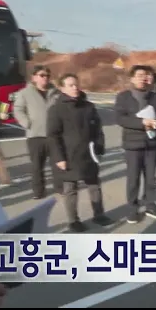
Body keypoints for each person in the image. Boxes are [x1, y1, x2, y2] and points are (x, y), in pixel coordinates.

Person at [47, 73, 113, 233]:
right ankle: (73, 221)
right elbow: (53, 135)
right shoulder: (57, 109)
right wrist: (59, 158)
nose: (75, 88)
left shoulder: (88, 106)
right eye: (70, 85)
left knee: (94, 185)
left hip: (89, 153)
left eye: (76, 84)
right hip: (69, 155)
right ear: (62, 88)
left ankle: (99, 215)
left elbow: (98, 129)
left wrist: (99, 147)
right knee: (70, 189)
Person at [115, 65, 156, 224]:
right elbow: (120, 118)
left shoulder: (155, 97)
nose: (143, 78)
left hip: (152, 142)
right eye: (139, 75)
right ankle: (132, 209)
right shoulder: (124, 96)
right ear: (132, 79)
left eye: (145, 76)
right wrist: (142, 122)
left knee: (151, 178)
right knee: (133, 179)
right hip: (133, 143)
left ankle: (150, 205)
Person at [13, 65, 63, 199]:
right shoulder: (25, 93)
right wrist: (27, 123)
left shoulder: (56, 92)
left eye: (47, 75)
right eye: (42, 75)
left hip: (54, 135)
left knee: (58, 164)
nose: (45, 78)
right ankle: (39, 192)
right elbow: (18, 109)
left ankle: (60, 188)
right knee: (37, 167)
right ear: (34, 77)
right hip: (35, 135)